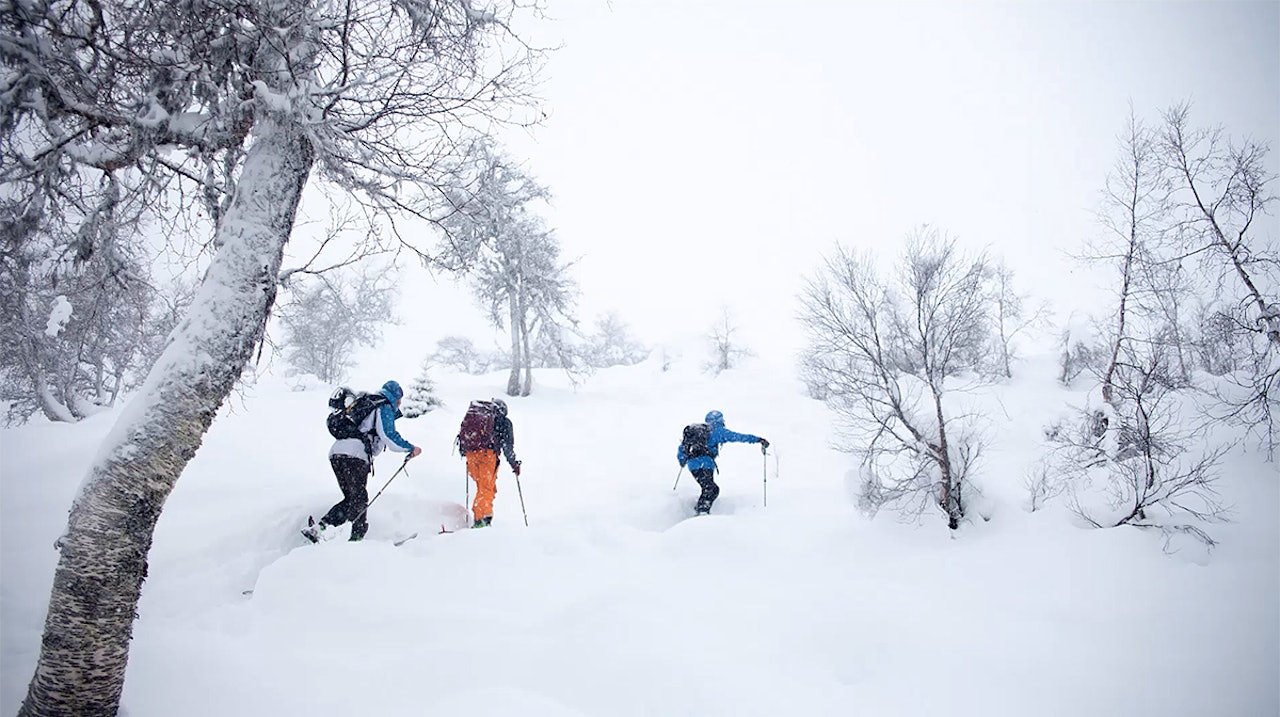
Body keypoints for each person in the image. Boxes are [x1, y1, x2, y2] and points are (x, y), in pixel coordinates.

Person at [309, 380, 421, 542]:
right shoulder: (383, 406)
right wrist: (410, 448)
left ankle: (320, 528)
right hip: (354, 455)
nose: (399, 403)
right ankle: (356, 539)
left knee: (351, 500)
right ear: (394, 396)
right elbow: (388, 435)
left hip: (337, 453)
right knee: (360, 499)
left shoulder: (366, 404)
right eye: (399, 399)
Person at [677, 409, 768, 515]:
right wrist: (758, 440)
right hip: (706, 464)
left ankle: (700, 510)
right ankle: (702, 512)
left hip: (693, 466)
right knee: (711, 489)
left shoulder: (696, 433)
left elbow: (682, 448)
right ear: (719, 420)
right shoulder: (718, 432)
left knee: (708, 488)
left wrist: (682, 461)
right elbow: (738, 437)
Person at [458, 398, 520, 528]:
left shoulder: (480, 418)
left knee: (485, 488)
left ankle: (483, 516)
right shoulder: (504, 422)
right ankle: (481, 520)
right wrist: (514, 464)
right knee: (486, 489)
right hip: (487, 456)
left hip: (471, 455)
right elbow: (507, 447)